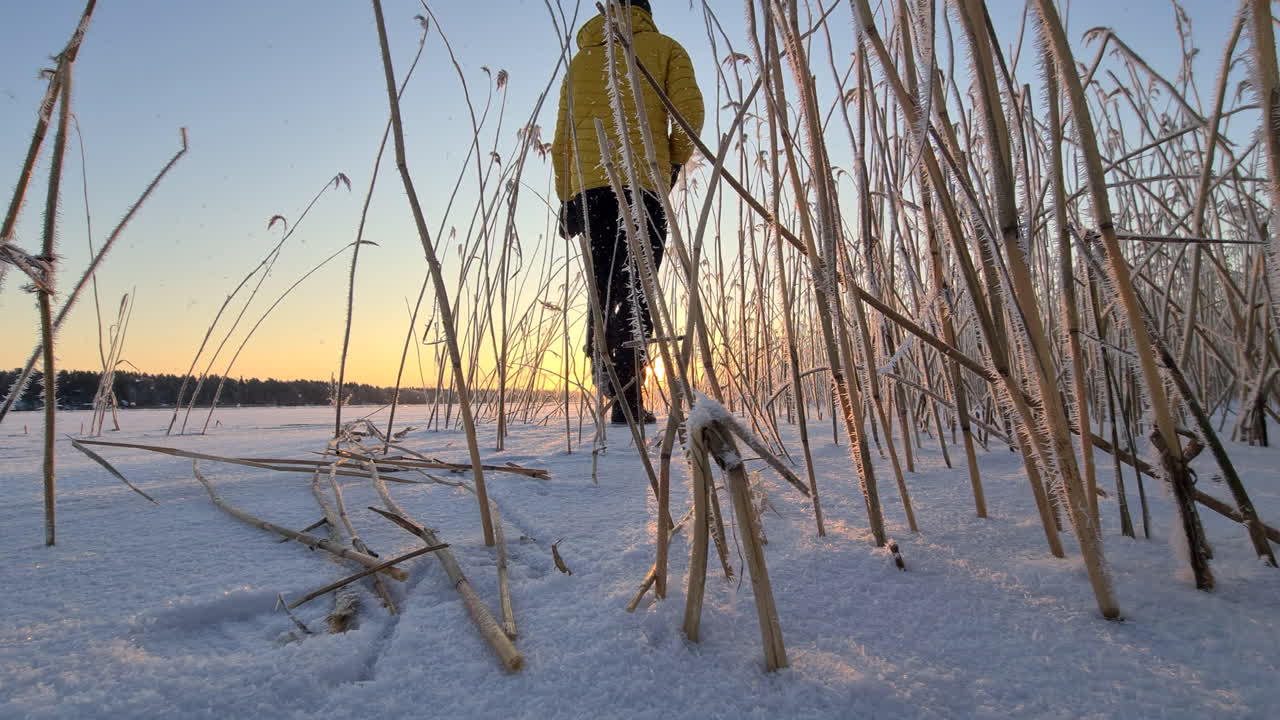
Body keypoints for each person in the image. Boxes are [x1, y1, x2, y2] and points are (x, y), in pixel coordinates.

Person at [551, 0, 704, 425]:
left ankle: (603, 364)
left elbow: (562, 136)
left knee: (603, 286)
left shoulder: (580, 61)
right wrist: (670, 165)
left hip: (590, 191)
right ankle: (627, 399)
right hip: (640, 187)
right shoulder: (664, 47)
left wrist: (568, 197)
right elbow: (689, 115)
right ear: (645, 11)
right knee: (636, 287)